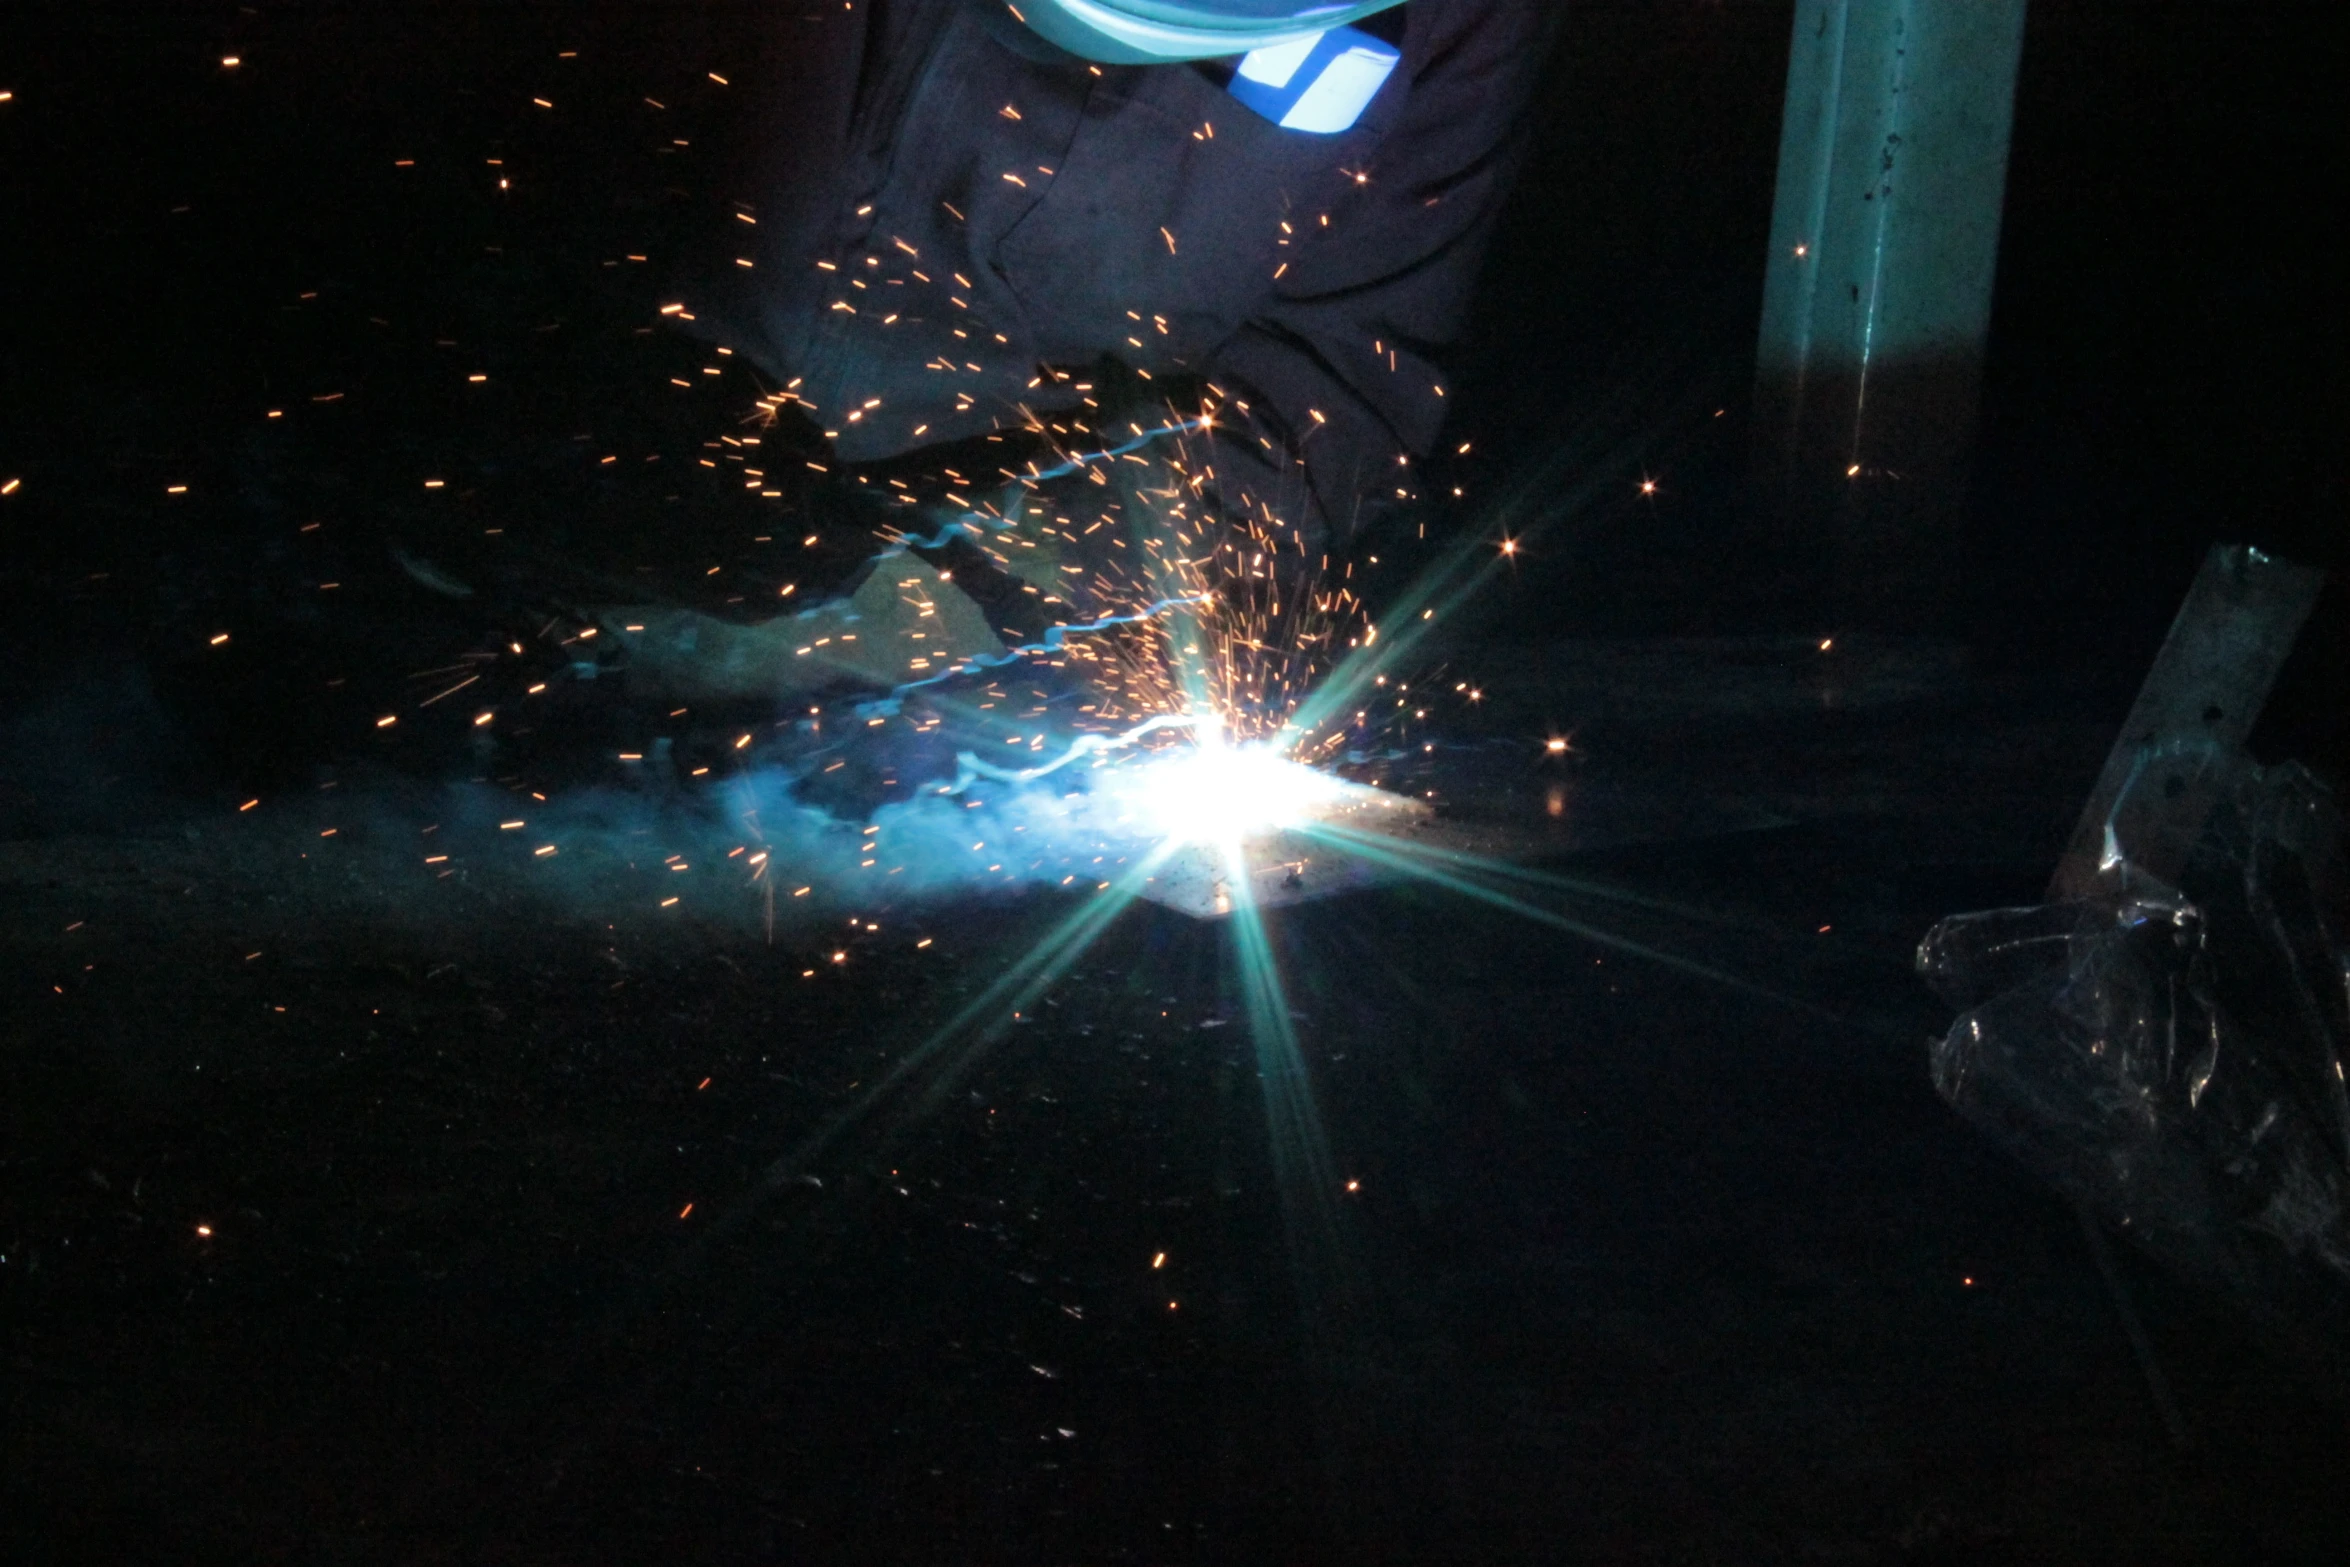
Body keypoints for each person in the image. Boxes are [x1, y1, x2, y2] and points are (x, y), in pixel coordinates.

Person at [652, 0, 1561, 667]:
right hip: (629, 511)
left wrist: (1123, 581)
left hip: (956, 637)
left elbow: (1341, 373)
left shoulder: (1467, 23)